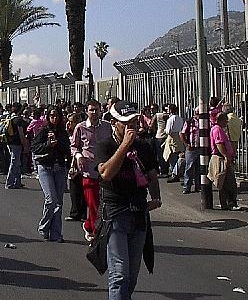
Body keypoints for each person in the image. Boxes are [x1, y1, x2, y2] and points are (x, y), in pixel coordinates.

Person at [96, 100, 161, 300]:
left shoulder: (144, 147)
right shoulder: (105, 145)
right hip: (116, 213)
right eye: (125, 122)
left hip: (138, 213)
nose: (130, 126)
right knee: (119, 274)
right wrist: (124, 146)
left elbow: (152, 174)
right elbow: (105, 173)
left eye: (133, 121)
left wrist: (156, 197)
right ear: (115, 123)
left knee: (132, 275)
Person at [71, 99, 110, 242]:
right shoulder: (80, 128)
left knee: (102, 203)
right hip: (88, 171)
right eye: (91, 110)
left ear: (101, 111)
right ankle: (96, 235)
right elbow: (74, 146)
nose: (94, 113)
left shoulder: (107, 127)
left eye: (96, 110)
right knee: (93, 204)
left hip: (105, 171)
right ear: (86, 111)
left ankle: (88, 225)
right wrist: (79, 156)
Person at [32, 107, 71, 242]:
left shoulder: (63, 133)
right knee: (51, 199)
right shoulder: (43, 131)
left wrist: (69, 166)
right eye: (51, 116)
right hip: (45, 167)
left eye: (57, 116)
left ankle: (56, 233)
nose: (54, 118)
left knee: (59, 202)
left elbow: (67, 150)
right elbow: (35, 147)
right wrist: (48, 144)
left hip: (59, 168)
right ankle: (43, 226)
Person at [209, 112, 240, 211]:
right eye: (225, 120)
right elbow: (219, 144)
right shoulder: (217, 129)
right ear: (221, 120)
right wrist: (226, 157)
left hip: (223, 157)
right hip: (221, 158)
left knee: (224, 183)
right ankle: (230, 203)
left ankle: (226, 203)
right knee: (229, 182)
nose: (227, 122)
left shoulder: (219, 129)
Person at [5, 103, 27, 189]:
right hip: (16, 143)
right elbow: (21, 133)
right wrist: (25, 144)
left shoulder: (9, 117)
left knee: (16, 162)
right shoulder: (18, 120)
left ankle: (17, 182)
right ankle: (9, 182)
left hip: (9, 142)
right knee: (14, 162)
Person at [180, 109, 201, 194]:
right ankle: (187, 187)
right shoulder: (190, 122)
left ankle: (198, 186)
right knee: (189, 167)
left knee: (200, 168)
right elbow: (182, 133)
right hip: (191, 148)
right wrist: (187, 144)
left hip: (201, 148)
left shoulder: (205, 121)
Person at [164, 104, 185, 183]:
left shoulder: (170, 119)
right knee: (177, 155)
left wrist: (165, 131)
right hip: (178, 138)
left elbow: (168, 131)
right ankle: (176, 172)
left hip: (172, 138)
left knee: (172, 155)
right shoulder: (180, 118)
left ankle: (174, 173)